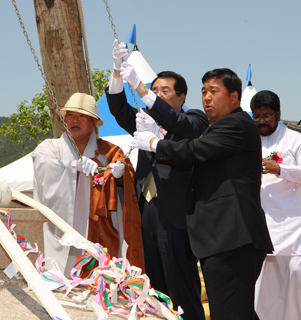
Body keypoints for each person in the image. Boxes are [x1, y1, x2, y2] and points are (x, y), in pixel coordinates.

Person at [130, 68, 273, 320]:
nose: (206, 97)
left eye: (214, 91)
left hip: (232, 237)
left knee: (229, 314)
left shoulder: (236, 123)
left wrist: (154, 143)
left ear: (234, 97)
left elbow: (195, 149)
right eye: (204, 91)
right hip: (221, 239)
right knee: (234, 312)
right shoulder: (216, 127)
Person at [105, 41, 208, 319]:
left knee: (182, 287)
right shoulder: (145, 120)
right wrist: (116, 72)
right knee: (153, 287)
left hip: (177, 216)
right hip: (146, 212)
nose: (157, 95)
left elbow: (184, 128)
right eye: (155, 90)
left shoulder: (195, 119)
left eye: (165, 91)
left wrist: (141, 90)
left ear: (182, 96)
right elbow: (117, 108)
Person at [32, 92, 144, 276]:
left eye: (82, 115)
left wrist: (120, 176)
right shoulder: (50, 148)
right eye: (70, 115)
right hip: (62, 232)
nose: (75, 120)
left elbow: (128, 178)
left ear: (94, 122)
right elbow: (43, 166)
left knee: (101, 283)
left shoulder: (110, 152)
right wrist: (73, 166)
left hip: (101, 233)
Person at [251, 90, 301, 320]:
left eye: (267, 116)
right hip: (260, 223)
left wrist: (280, 169)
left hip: (291, 224)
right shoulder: (248, 139)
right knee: (264, 286)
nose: (262, 121)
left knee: (297, 275)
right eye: (257, 116)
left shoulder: (295, 139)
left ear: (278, 114)